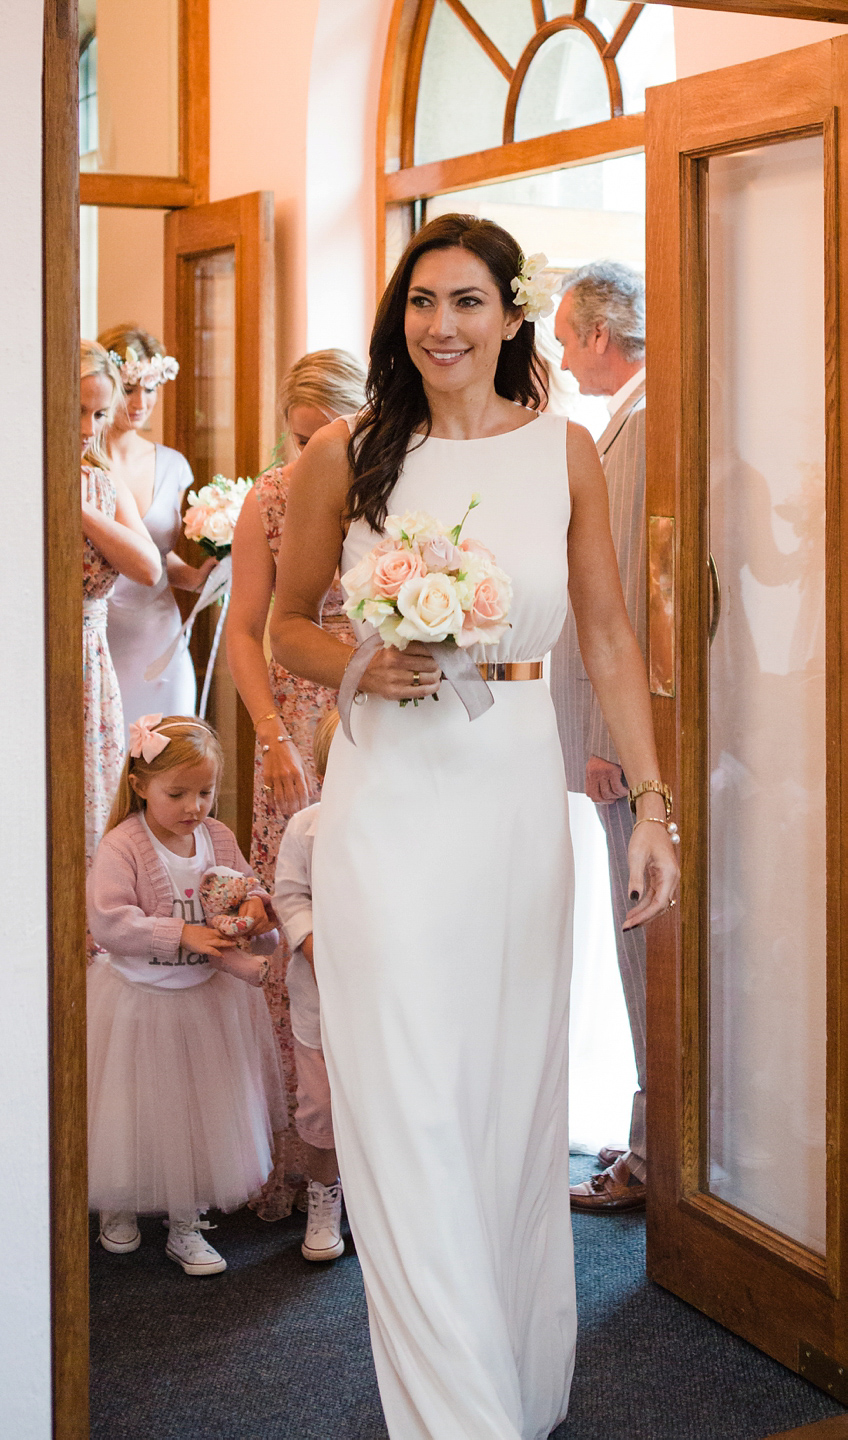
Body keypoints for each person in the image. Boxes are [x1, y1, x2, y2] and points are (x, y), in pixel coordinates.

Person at [270, 214, 678, 1440]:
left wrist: (652, 804)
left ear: (511, 313)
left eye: (466, 302)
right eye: (419, 303)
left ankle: (511, 1365)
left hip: (508, 790)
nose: (440, 326)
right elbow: (285, 624)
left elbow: (605, 633)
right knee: (407, 1090)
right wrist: (358, 670)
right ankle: (457, 1410)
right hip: (388, 795)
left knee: (506, 1092)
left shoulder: (564, 451)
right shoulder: (346, 452)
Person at [225, 348, 366, 1221]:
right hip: (294, 723)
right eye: (298, 437)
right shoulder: (272, 497)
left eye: (326, 439)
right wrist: (273, 736)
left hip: (383, 711)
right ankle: (306, 1158)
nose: (310, 454)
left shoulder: (402, 488)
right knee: (295, 925)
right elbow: (246, 629)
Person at [85, 715, 286, 1275]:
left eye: (205, 792)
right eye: (177, 793)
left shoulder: (216, 837)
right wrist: (182, 933)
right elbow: (109, 921)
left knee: (202, 1109)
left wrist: (253, 907)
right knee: (134, 1107)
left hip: (206, 1000)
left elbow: (246, 885)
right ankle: (119, 1202)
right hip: (139, 1000)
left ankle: (186, 1221)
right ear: (140, 785)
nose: (194, 805)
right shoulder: (124, 844)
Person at [550, 262, 650, 1214]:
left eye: (562, 332)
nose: (557, 351)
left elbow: (627, 603)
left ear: (595, 334)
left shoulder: (640, 423)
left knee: (641, 948)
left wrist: (620, 739)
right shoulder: (622, 419)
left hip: (626, 748)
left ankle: (654, 1155)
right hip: (610, 742)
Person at [98, 325, 216, 740]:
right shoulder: (83, 463)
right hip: (103, 633)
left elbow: (160, 556)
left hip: (159, 634)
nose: (139, 403)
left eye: (150, 391)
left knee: (172, 751)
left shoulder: (173, 466)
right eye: (129, 389)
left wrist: (200, 577)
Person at [80, 340, 162, 869]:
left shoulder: (103, 484)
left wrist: (81, 511)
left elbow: (149, 567)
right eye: (77, 411)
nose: (89, 428)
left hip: (88, 662)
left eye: (99, 413)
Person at [273, 708, 344, 1263]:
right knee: (320, 1106)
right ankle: (324, 1197)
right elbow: (290, 896)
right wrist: (317, 947)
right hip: (322, 995)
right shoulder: (307, 827)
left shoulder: (408, 823)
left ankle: (383, 1204)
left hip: (387, 1000)